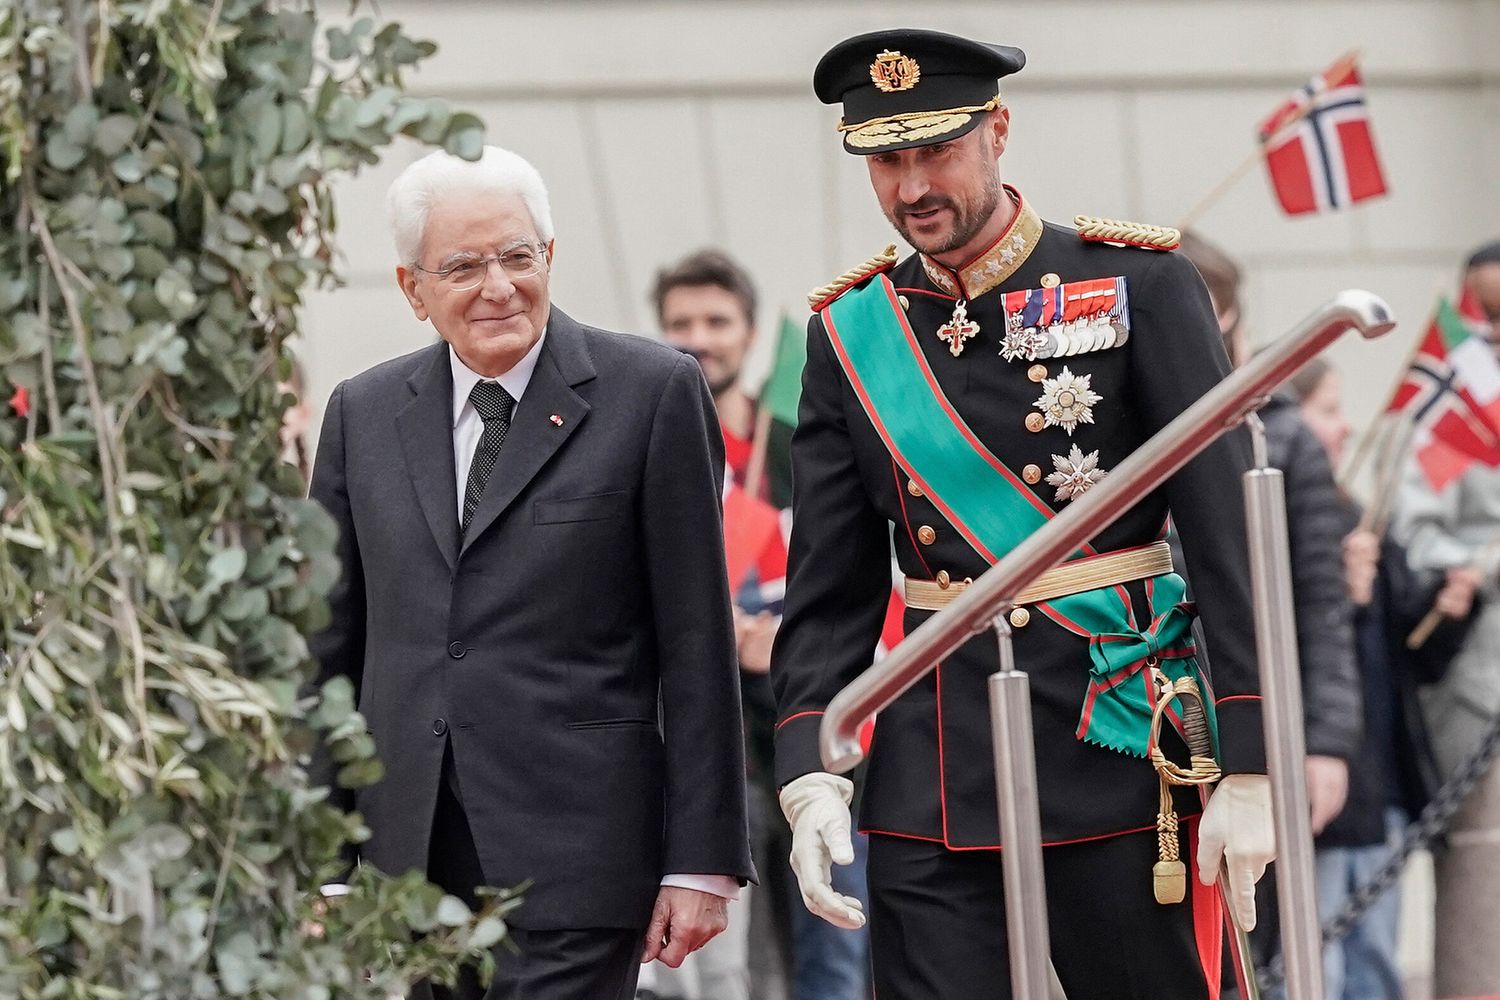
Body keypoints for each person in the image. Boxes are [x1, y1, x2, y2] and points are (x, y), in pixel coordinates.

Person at [769, 29, 1275, 1000]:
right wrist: (812, 764)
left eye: (936, 152)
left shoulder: (1141, 285)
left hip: (1115, 739)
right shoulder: (850, 332)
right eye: (885, 160)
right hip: (934, 765)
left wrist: (1250, 765)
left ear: (999, 132)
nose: (912, 185)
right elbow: (827, 585)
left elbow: (1226, 542)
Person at [306, 145, 754, 1000]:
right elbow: (330, 646)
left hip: (578, 858)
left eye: (518, 256)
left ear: (549, 257)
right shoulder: (362, 413)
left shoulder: (651, 392)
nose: (499, 286)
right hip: (406, 862)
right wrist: (325, 859)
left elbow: (696, 640)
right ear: (412, 289)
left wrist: (702, 860)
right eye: (465, 266)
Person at [650, 249, 872, 1000]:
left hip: (812, 720)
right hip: (710, 739)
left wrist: (786, 636)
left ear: (748, 333)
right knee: (730, 958)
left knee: (834, 938)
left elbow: (856, 564)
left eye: (717, 321)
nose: (699, 337)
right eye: (681, 323)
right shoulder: (647, 441)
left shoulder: (793, 442)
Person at [1286, 358, 1474, 1000]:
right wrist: (1340, 593)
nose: (1344, 428)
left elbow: (1410, 653)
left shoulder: (1358, 516)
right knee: (1318, 967)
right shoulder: (1282, 518)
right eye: (1329, 410)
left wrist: (1446, 611)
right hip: (1327, 791)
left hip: (1382, 787)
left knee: (1375, 967)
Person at [1393, 238, 1500, 999]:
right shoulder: (1454, 406)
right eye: (1487, 311)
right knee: (1482, 877)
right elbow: (1417, 537)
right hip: (1480, 687)